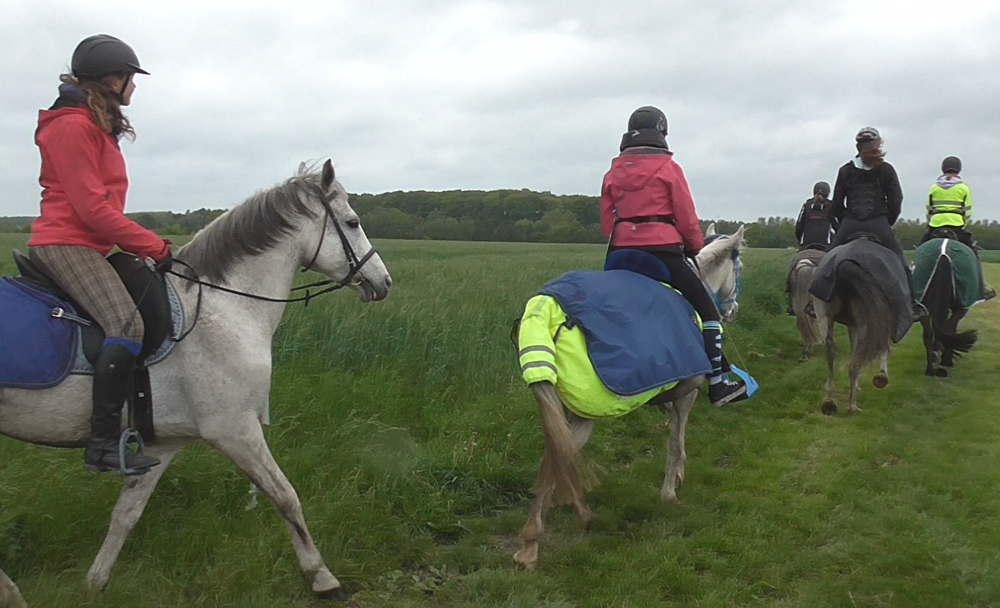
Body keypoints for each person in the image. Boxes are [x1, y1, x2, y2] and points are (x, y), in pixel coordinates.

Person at [27, 35, 170, 475]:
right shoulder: (73, 126)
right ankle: (104, 446)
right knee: (126, 324)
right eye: (131, 78)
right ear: (113, 80)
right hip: (66, 243)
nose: (134, 87)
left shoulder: (94, 124)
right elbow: (92, 210)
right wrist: (153, 245)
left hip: (89, 244)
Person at [601, 106, 747, 406]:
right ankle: (718, 386)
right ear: (661, 133)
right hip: (662, 254)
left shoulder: (613, 172)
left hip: (620, 255)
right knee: (708, 313)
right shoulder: (669, 168)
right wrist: (693, 245)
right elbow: (686, 216)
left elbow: (607, 221)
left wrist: (626, 240)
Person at [829, 127, 924, 319]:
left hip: (850, 223)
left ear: (857, 146)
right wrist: (887, 222)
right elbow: (896, 200)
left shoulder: (845, 170)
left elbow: (837, 203)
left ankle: (815, 303)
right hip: (878, 224)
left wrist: (844, 221)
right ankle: (913, 306)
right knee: (901, 263)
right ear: (877, 145)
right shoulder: (886, 169)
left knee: (828, 259)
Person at [920, 156, 995, 298]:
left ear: (943, 169)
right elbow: (967, 211)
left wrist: (931, 224)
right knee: (973, 257)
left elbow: (929, 210)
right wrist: (962, 224)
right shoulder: (963, 188)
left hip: (935, 226)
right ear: (959, 170)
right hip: (956, 226)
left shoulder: (934, 188)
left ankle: (912, 284)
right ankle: (981, 288)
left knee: (920, 254)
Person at [786, 181, 838, 315]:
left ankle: (790, 301)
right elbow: (837, 227)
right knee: (836, 271)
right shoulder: (831, 206)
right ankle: (836, 299)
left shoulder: (806, 205)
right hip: (825, 247)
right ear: (828, 193)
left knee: (793, 268)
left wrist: (801, 242)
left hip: (807, 245)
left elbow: (799, 227)